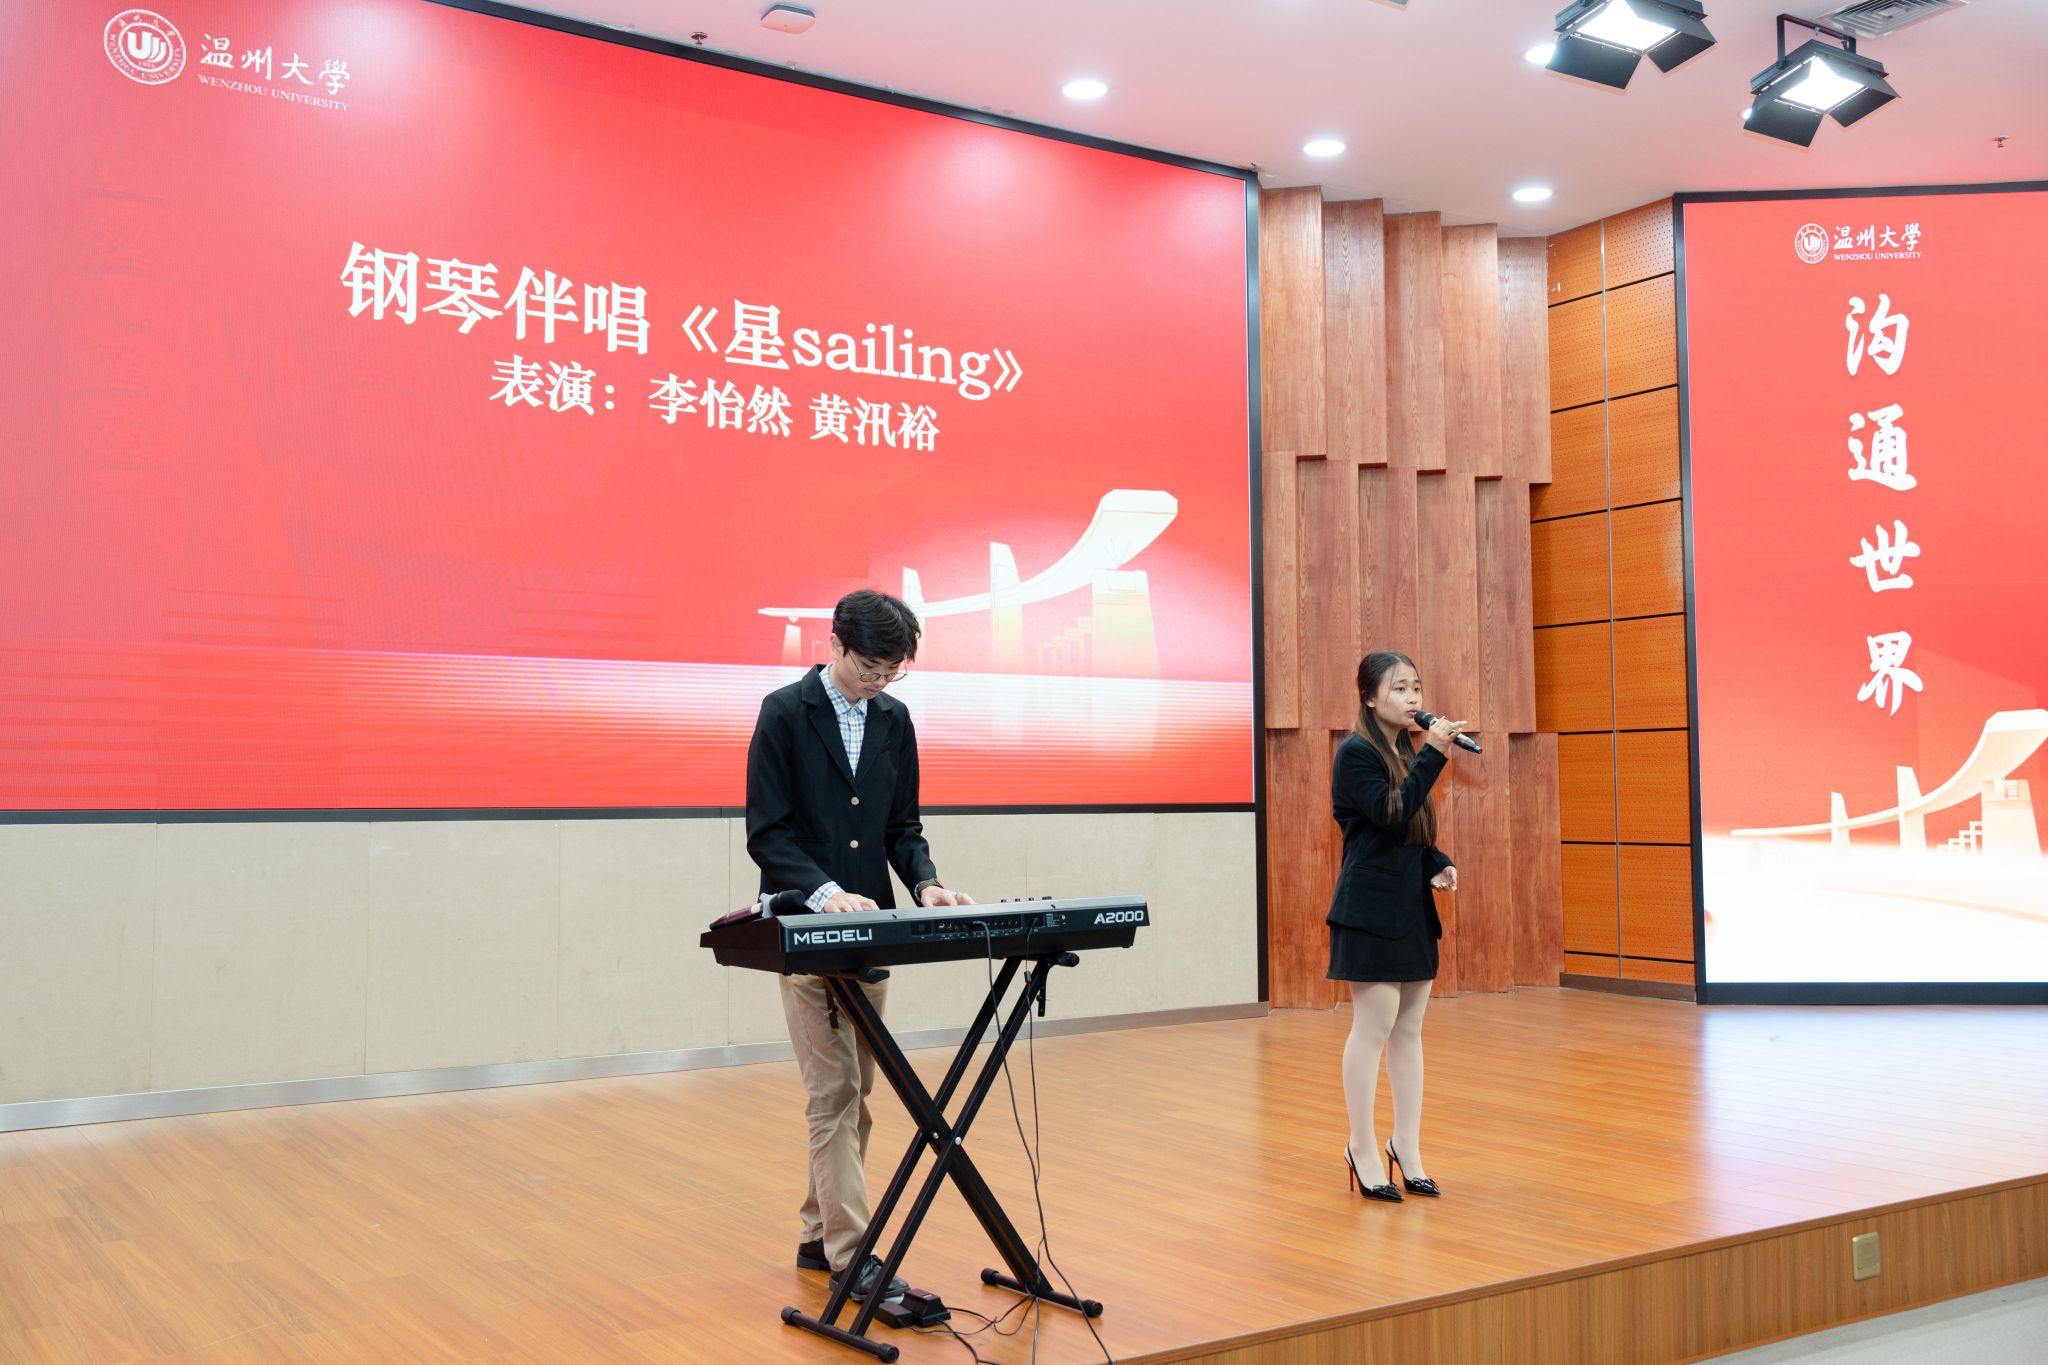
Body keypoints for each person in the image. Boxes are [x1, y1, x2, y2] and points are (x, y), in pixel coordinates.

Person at [744, 588, 975, 1302]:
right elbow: (768, 834)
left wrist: (927, 882)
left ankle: (818, 1234)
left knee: (860, 1093)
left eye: (892, 670)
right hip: (805, 932)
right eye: (870, 667)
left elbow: (902, 826)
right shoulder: (785, 712)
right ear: (836, 646)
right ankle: (853, 1255)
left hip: (873, 935)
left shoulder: (894, 719)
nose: (880, 681)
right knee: (834, 1093)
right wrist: (824, 892)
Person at [1326, 649, 1463, 1203]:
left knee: (1409, 1030)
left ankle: (1406, 1145)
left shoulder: (1407, 750)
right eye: (1399, 688)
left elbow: (1411, 829)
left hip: (1411, 907)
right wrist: (1433, 754)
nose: (1412, 699)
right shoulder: (1355, 754)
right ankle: (1361, 1147)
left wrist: (1436, 862)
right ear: (1369, 697)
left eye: (1416, 688)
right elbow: (1387, 815)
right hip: (1369, 910)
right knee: (1374, 1026)